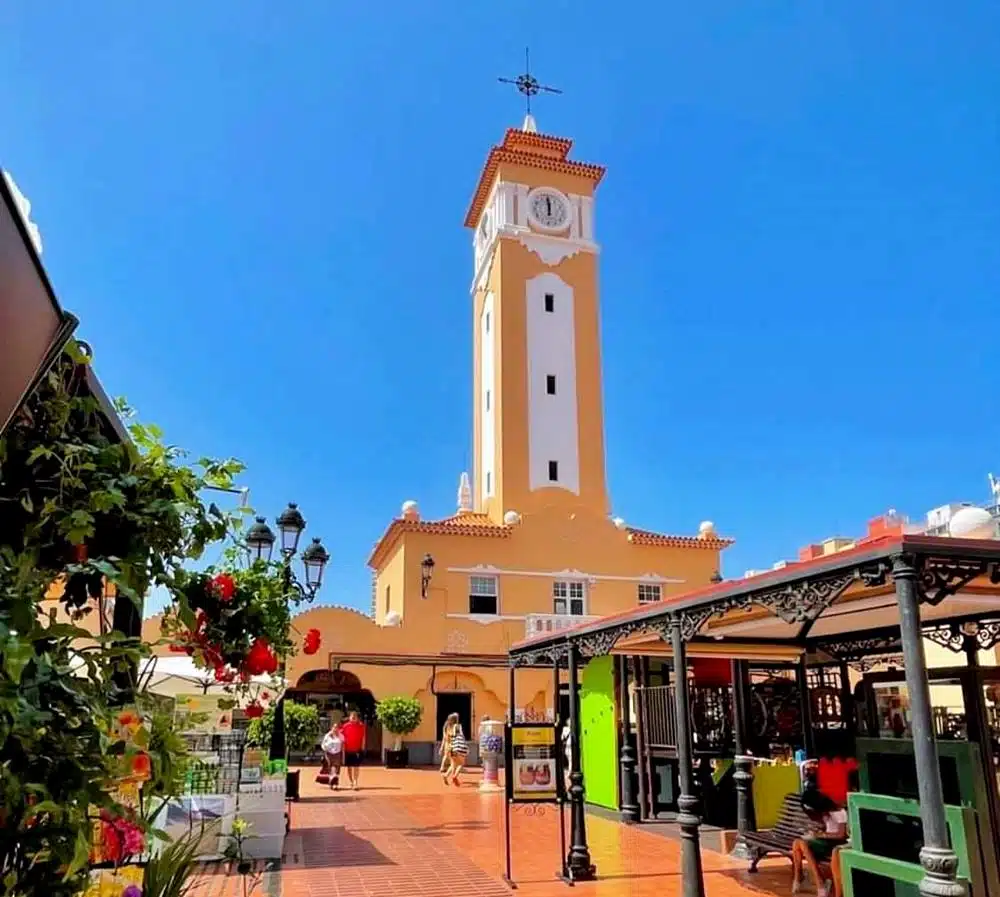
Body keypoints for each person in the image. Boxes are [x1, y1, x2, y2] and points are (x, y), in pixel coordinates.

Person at [792, 789, 848, 896]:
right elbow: (829, 827)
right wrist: (818, 831)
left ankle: (818, 882)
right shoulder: (825, 812)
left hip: (834, 843)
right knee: (797, 843)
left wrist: (821, 835)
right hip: (826, 841)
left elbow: (841, 834)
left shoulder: (838, 812)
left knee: (802, 844)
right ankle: (802, 878)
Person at [339, 711, 366, 790]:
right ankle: (351, 781)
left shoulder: (361, 726)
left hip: (357, 749)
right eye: (352, 716)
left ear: (357, 718)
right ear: (349, 717)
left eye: (355, 716)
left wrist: (363, 747)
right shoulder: (345, 726)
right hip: (348, 749)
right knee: (349, 767)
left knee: (356, 766)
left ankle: (355, 782)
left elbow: (363, 737)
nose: (354, 718)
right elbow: (340, 736)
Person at [441, 712, 468, 786]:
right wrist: (464, 744)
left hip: (451, 747)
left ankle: (446, 775)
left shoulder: (448, 727)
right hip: (458, 747)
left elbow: (446, 738)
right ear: (456, 719)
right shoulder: (458, 726)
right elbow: (462, 736)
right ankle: (455, 776)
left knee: (453, 764)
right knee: (461, 763)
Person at [320, 721, 344, 790]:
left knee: (336, 769)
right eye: (334, 727)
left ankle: (335, 784)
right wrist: (325, 750)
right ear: (332, 728)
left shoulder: (341, 736)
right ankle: (331, 783)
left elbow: (343, 746)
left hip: (337, 754)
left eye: (337, 727)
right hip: (329, 754)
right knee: (330, 768)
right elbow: (323, 745)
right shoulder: (327, 735)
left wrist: (343, 757)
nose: (335, 729)